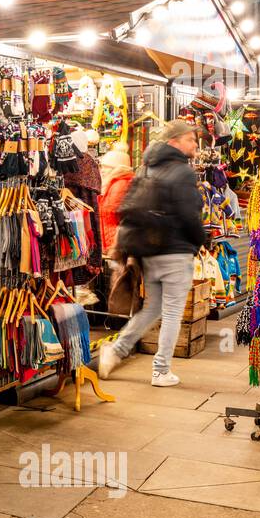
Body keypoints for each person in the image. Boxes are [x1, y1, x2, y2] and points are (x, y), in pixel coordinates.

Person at [98, 120, 207, 387]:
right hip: (175, 250)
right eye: (191, 139)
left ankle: (115, 351)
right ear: (176, 141)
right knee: (171, 313)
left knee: (152, 309)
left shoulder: (147, 167)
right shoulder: (182, 172)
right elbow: (189, 215)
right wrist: (200, 241)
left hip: (149, 251)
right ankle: (161, 370)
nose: (195, 144)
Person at [98, 146, 134, 257]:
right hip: (115, 243)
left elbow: (111, 212)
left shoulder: (119, 184)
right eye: (102, 167)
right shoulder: (114, 183)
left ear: (116, 168)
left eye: (106, 167)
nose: (102, 170)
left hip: (117, 245)